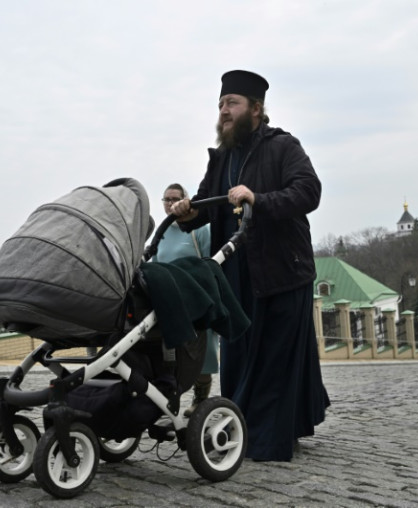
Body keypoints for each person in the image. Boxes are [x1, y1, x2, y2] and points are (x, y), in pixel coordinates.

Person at [170, 69, 330, 462]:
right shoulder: (222, 157)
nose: (224, 111)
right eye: (221, 104)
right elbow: (208, 203)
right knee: (239, 360)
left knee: (276, 360)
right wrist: (186, 212)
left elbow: (309, 191)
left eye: (232, 103)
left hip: (281, 273)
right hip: (237, 276)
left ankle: (269, 440)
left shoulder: (282, 146)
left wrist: (258, 197)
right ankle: (239, 430)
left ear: (255, 109)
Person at [152, 183, 219, 416]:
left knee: (202, 352)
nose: (170, 203)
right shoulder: (160, 231)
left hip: (196, 297)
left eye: (175, 199)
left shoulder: (197, 229)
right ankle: (171, 400)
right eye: (166, 199)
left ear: (184, 200)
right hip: (170, 300)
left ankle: (201, 399)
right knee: (173, 354)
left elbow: (212, 260)